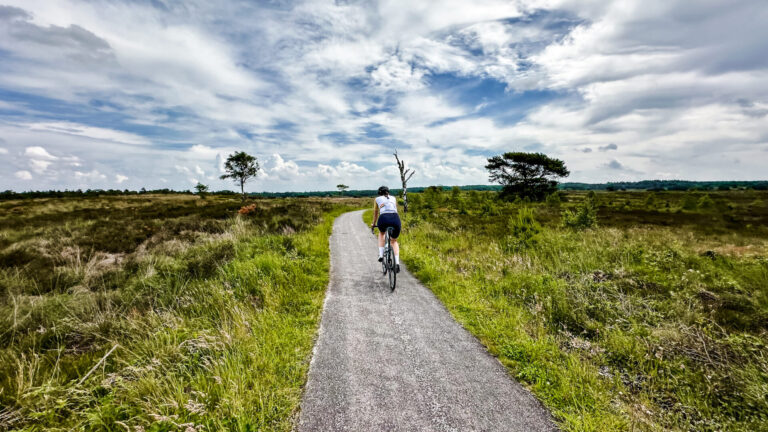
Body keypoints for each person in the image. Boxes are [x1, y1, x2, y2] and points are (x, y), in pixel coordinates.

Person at [371, 185, 401, 273]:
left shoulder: (377, 199)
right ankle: (397, 263)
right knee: (394, 241)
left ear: (379, 193)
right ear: (388, 192)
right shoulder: (393, 198)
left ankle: (381, 255)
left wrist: (373, 224)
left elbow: (375, 214)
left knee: (382, 233)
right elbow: (395, 209)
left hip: (383, 218)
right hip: (395, 218)